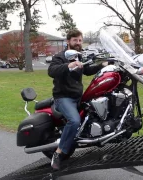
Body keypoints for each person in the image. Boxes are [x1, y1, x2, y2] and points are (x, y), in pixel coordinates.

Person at [48, 29, 108, 170]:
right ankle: (58, 153)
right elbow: (52, 71)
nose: (78, 43)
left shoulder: (79, 57)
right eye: (75, 40)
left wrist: (102, 65)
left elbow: (86, 70)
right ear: (68, 41)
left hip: (78, 96)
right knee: (74, 120)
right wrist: (69, 65)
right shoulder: (60, 57)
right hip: (63, 97)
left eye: (80, 40)